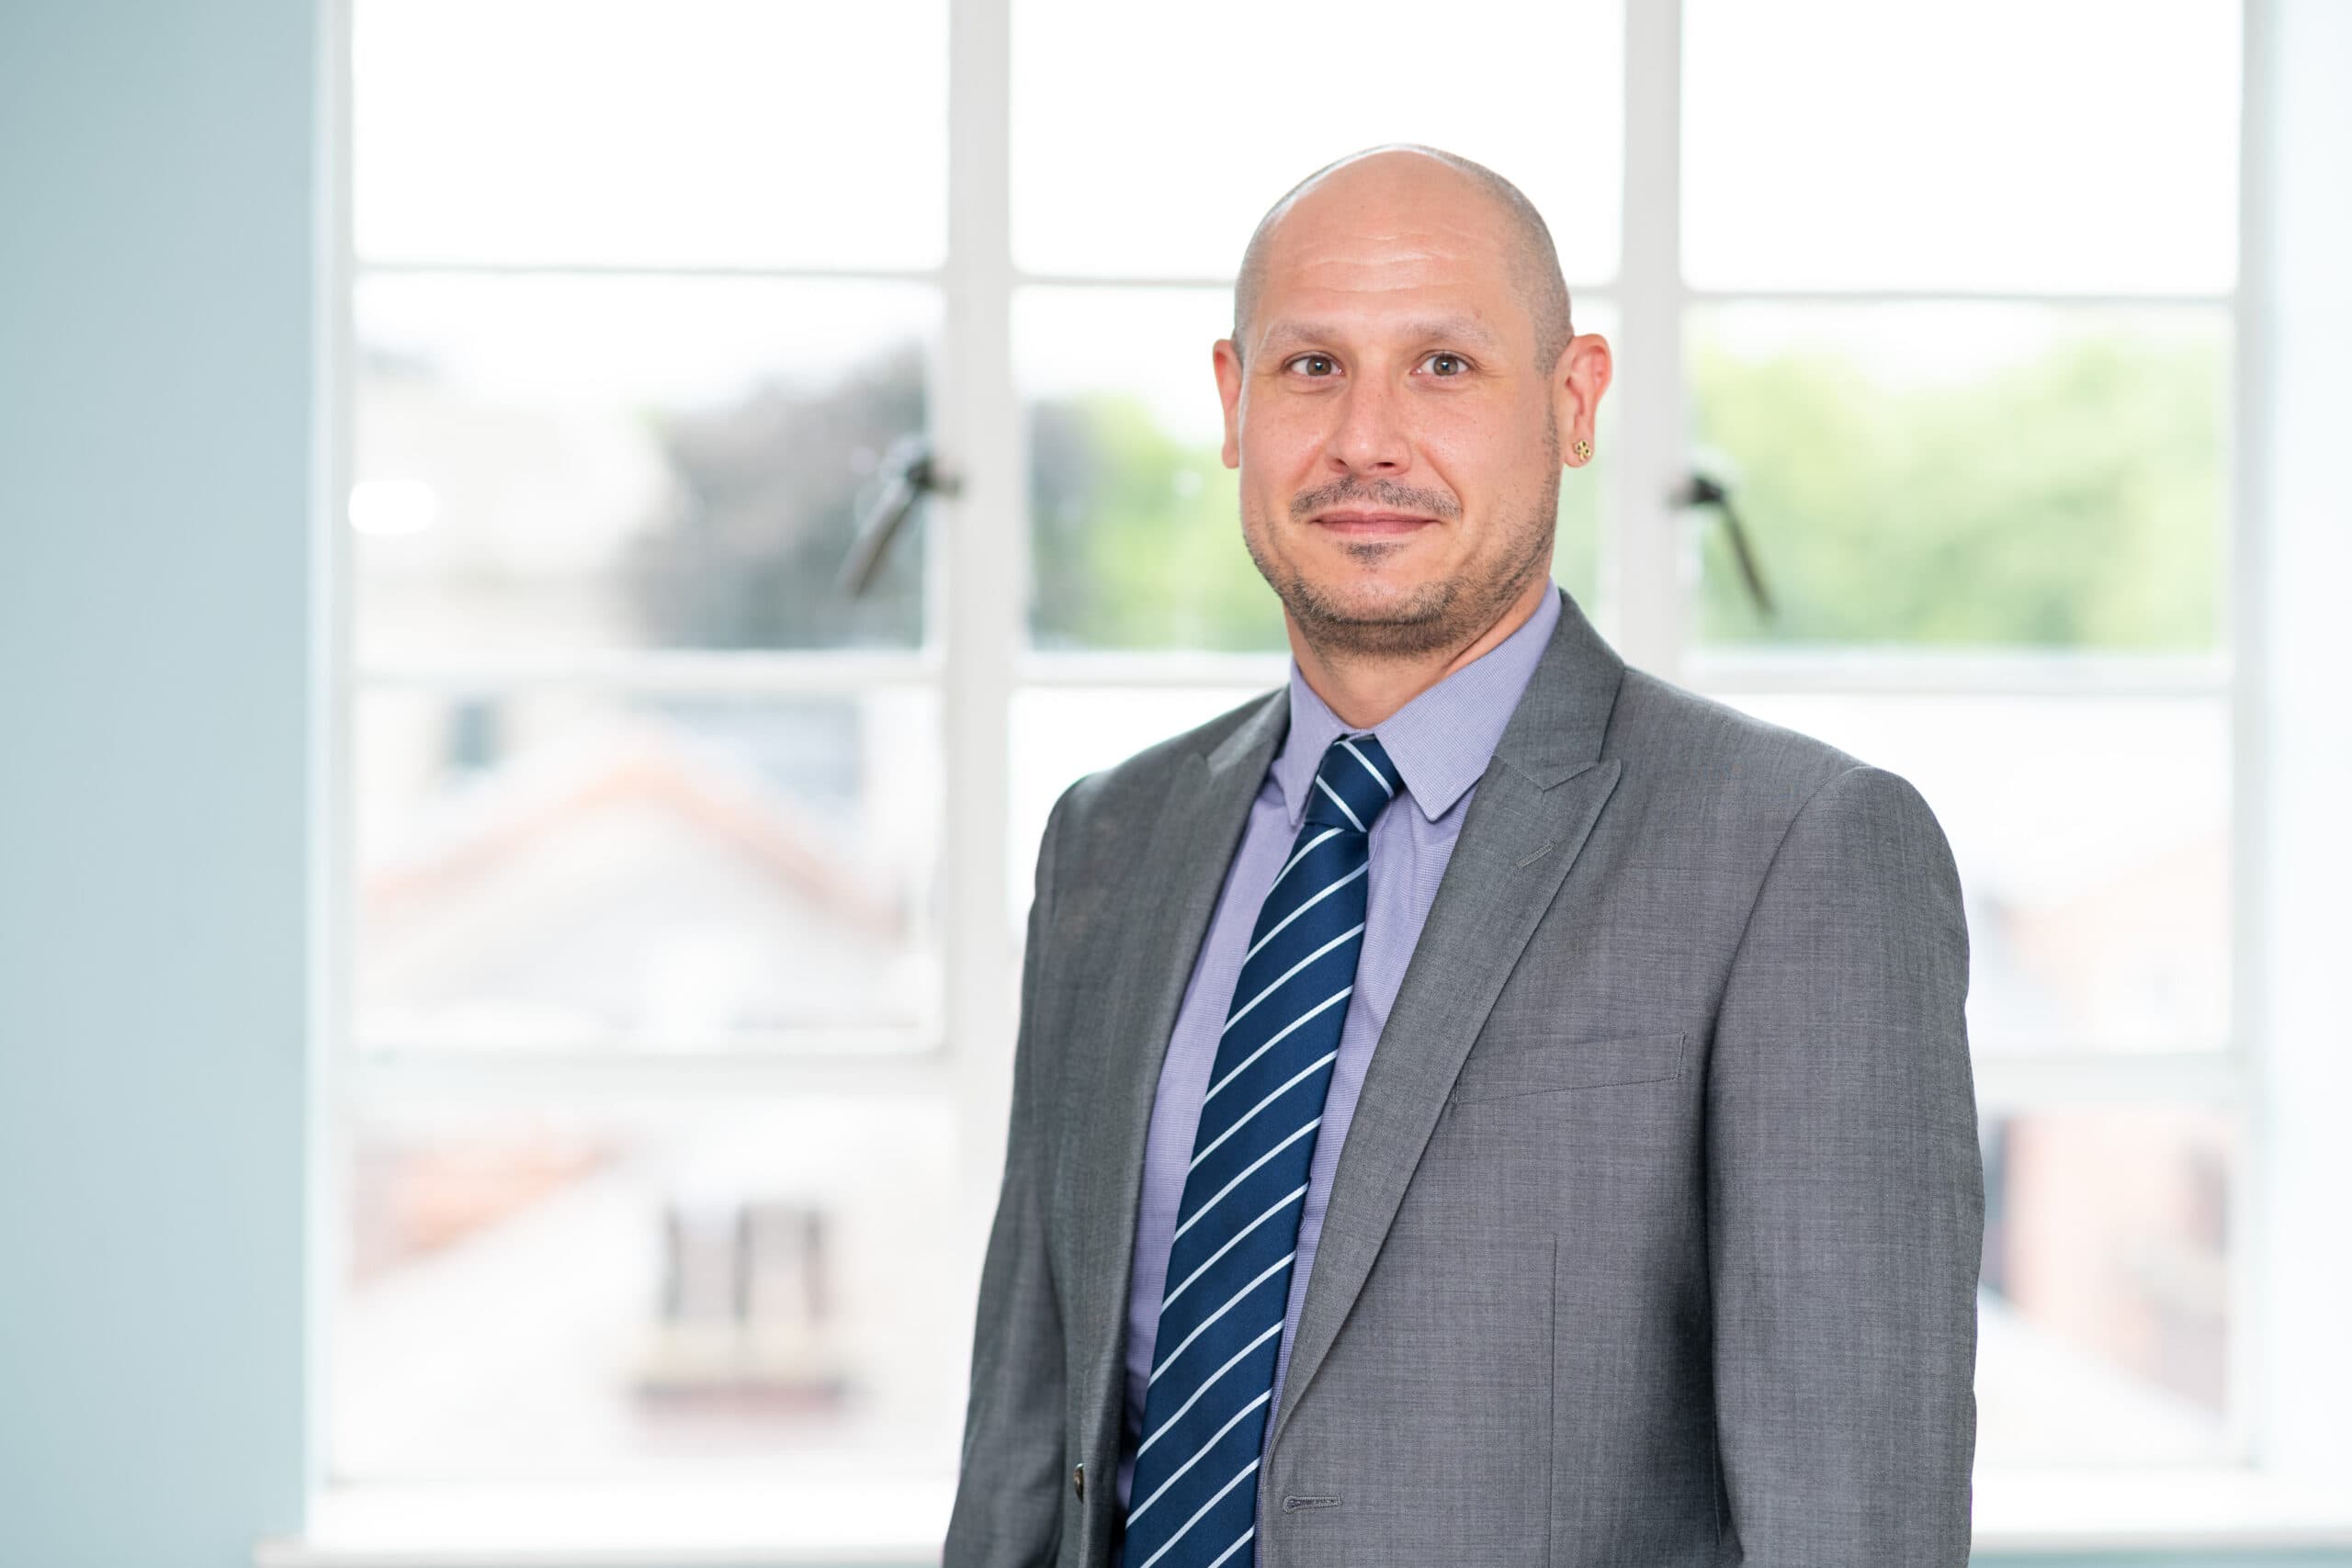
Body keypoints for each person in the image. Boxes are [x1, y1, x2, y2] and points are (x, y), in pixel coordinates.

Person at [943, 143, 1982, 1568]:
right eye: (1312, 366)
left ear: (1574, 401)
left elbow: (1851, 1526)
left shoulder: (1800, 854)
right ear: (1234, 402)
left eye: (1443, 365)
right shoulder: (1109, 841)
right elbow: (1023, 1449)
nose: (1366, 439)